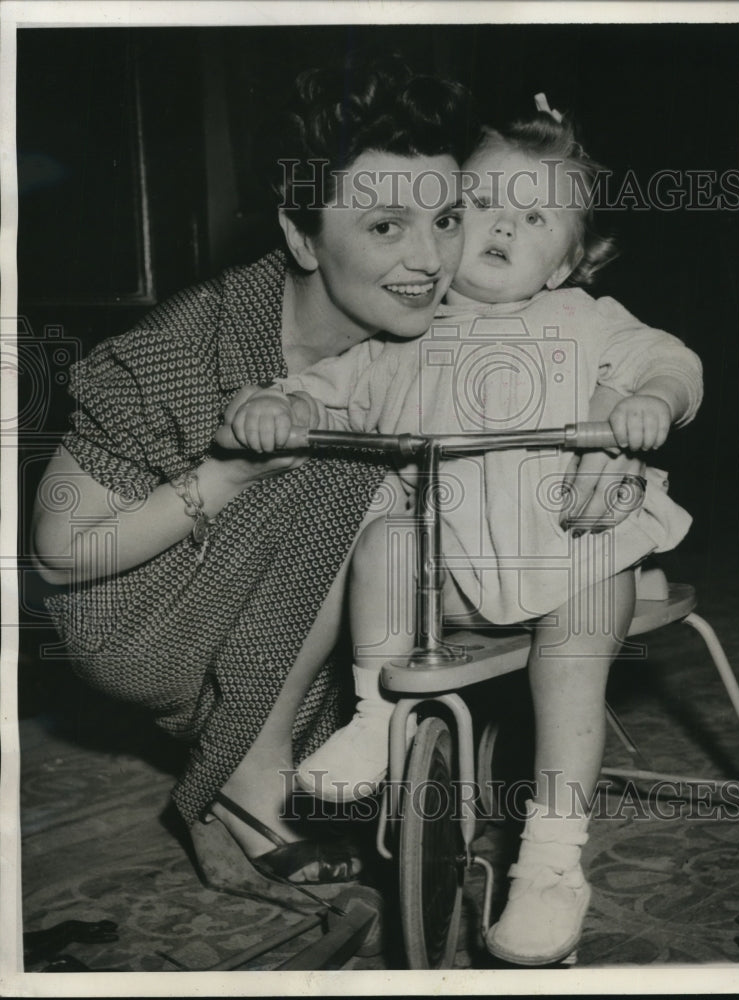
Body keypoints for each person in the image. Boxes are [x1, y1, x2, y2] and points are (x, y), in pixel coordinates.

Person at [231, 96, 703, 959]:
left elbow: (672, 361)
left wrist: (647, 402)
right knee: (381, 539)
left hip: (570, 541)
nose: (500, 226)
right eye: (479, 205)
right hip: (442, 576)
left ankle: (551, 859)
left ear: (571, 262)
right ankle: (378, 712)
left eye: (532, 215)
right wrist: (275, 404)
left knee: (573, 653)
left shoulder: (583, 319)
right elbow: (321, 389)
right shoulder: (401, 336)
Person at [30, 55, 479, 907]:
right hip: (133, 610)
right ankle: (250, 768)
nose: (431, 260)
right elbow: (57, 561)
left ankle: (274, 749)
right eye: (385, 227)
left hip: (288, 621)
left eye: (447, 219)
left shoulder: (444, 330)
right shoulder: (181, 346)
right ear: (302, 236)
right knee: (351, 466)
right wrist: (227, 474)